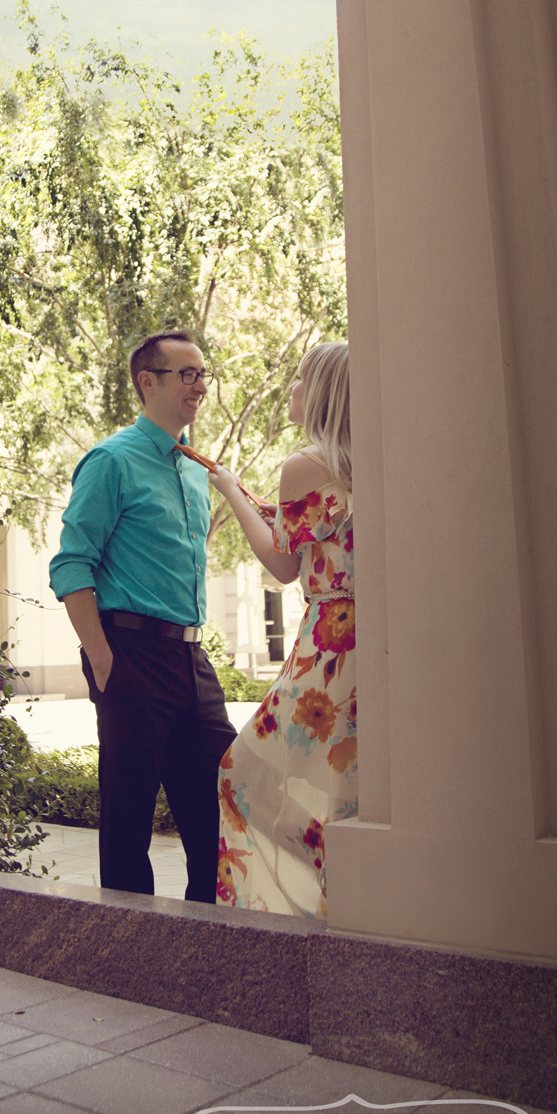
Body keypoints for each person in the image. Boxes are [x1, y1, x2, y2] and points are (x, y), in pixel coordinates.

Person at [49, 330, 235, 902]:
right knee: (129, 820)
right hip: (130, 653)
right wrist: (102, 658)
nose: (200, 386)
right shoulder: (111, 461)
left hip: (191, 658)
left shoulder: (195, 470)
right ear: (147, 381)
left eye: (203, 375)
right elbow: (72, 565)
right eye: (187, 374)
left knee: (222, 807)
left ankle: (211, 934)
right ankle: (129, 941)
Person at [208, 341, 355, 919]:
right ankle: (343, 894)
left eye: (299, 379)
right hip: (365, 642)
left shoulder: (304, 464)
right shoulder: (360, 463)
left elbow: (283, 564)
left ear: (322, 394)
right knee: (344, 790)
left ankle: (309, 901)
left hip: (328, 647)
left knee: (240, 775)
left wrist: (230, 489)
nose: (291, 389)